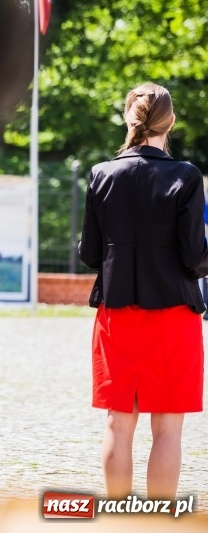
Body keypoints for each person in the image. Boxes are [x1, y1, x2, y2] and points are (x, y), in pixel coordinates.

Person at [79, 82, 208, 499]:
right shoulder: (186, 176)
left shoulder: (101, 174)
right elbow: (194, 257)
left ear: (128, 118)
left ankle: (119, 517)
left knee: (119, 423)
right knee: (168, 428)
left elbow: (90, 254)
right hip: (174, 316)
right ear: (170, 122)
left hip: (118, 315)